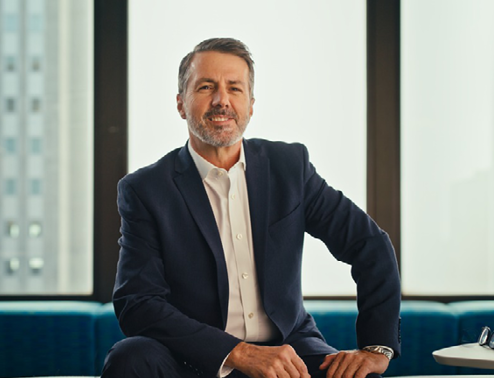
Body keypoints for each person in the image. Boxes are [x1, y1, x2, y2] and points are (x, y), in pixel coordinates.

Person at [103, 38, 402, 378]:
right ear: (181, 104)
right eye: (206, 87)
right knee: (130, 358)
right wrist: (236, 352)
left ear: (251, 104)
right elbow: (137, 302)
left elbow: (369, 244)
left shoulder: (290, 167)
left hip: (289, 353)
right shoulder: (146, 190)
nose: (221, 100)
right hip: (190, 358)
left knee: (359, 377)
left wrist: (378, 346)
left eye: (234, 88)